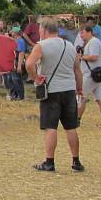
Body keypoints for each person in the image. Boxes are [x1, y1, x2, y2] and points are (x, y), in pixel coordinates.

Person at [25, 18, 84, 172]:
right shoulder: (70, 45)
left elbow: (29, 64)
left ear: (44, 30)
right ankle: (76, 161)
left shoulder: (41, 46)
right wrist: (79, 88)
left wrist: (35, 77)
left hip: (51, 91)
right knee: (71, 127)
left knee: (50, 127)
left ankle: (49, 161)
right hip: (69, 89)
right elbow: (77, 69)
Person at [76, 25, 101, 127]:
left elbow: (94, 57)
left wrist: (82, 57)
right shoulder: (90, 42)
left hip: (90, 75)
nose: (81, 35)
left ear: (89, 32)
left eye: (82, 32)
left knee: (81, 97)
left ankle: (76, 120)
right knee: (100, 98)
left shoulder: (94, 42)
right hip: (95, 74)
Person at [5, 26, 26, 100]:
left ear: (16, 33)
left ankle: (21, 97)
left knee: (16, 79)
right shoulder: (14, 40)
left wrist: (19, 66)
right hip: (12, 62)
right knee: (10, 79)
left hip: (17, 62)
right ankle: (14, 95)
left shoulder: (20, 41)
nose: (11, 32)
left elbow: (21, 53)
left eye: (12, 31)